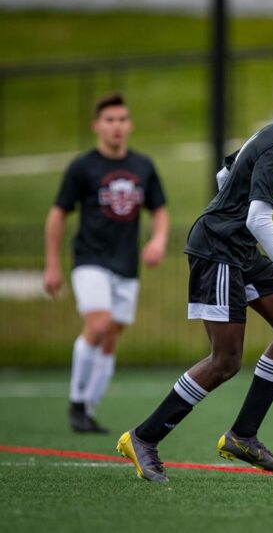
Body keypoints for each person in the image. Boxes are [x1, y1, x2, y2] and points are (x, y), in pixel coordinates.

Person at [117, 68, 273, 482]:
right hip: (217, 250)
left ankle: (243, 436)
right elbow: (258, 217)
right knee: (226, 360)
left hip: (239, 249)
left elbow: (226, 173)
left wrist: (228, 205)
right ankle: (143, 438)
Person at [44, 93, 169, 434]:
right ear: (97, 125)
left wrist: (157, 240)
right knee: (97, 326)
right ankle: (76, 404)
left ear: (129, 125)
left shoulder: (143, 166)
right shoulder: (83, 167)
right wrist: (52, 265)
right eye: (110, 120)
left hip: (127, 264)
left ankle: (88, 408)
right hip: (90, 260)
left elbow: (159, 210)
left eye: (122, 119)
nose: (117, 126)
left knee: (111, 337)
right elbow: (57, 215)